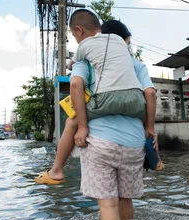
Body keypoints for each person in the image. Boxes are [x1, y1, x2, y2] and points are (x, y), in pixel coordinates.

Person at [35, 17, 163, 185]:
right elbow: (150, 93)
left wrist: (83, 126)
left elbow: (75, 83)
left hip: (102, 117)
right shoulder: (136, 64)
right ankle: (157, 160)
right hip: (133, 129)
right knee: (149, 129)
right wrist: (150, 126)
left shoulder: (87, 58)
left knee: (72, 121)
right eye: (127, 43)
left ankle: (57, 169)